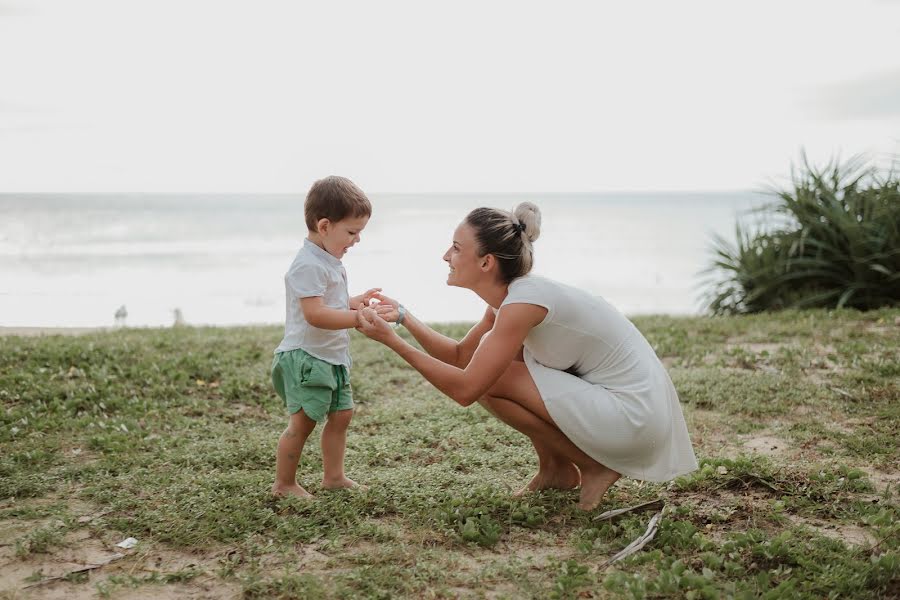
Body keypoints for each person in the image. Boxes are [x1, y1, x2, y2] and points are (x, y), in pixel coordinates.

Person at [355, 202, 697, 510]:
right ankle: (556, 470)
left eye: (457, 248)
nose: (446, 256)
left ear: (486, 262)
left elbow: (466, 389)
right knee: (497, 368)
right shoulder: (512, 299)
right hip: (624, 412)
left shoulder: (524, 303)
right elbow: (461, 355)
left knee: (491, 379)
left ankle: (594, 466)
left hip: (634, 416)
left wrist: (392, 342)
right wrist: (404, 318)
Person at [271, 175, 392, 499]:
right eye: (351, 232)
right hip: (307, 357)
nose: (356, 240)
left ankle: (334, 477)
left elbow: (330, 304)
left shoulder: (329, 260)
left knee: (342, 414)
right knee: (304, 422)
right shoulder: (307, 265)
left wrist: (355, 303)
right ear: (324, 226)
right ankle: (284, 484)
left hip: (332, 357)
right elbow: (315, 314)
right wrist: (356, 318)